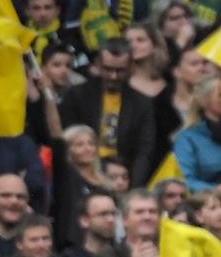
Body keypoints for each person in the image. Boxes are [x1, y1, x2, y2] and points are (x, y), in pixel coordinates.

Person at [58, 39, 157, 187]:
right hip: (82, 175)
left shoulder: (142, 103)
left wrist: (133, 186)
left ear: (131, 67)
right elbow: (66, 140)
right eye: (108, 69)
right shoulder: (77, 96)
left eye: (120, 70)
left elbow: (144, 152)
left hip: (123, 176)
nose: (113, 76)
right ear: (97, 64)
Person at [174, 74, 221, 192]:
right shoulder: (188, 138)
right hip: (209, 204)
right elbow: (183, 181)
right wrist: (216, 189)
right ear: (204, 100)